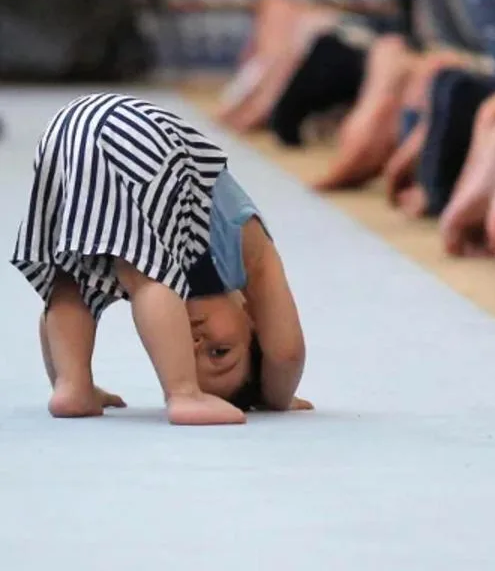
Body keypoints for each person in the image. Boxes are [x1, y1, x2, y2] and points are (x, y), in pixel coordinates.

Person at [12, 93, 310, 425]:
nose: (194, 342)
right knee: (148, 276)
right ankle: (183, 393)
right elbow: (286, 353)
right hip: (138, 135)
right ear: (253, 319)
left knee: (73, 279)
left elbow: (55, 308)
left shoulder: (144, 251)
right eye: (220, 352)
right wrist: (277, 400)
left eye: (186, 357)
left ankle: (71, 385)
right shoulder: (245, 250)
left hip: (68, 129)